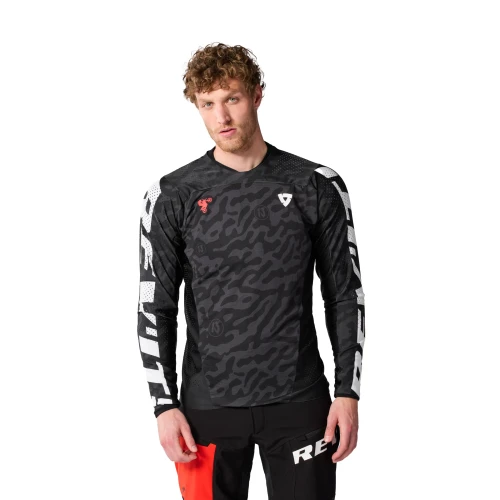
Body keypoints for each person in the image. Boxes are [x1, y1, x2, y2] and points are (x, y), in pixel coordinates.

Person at [137, 42, 366, 500]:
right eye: (207, 103)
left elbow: (345, 294)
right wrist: (164, 405)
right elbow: (154, 305)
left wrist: (348, 393)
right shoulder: (171, 194)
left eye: (232, 98)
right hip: (207, 409)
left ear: (257, 95)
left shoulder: (316, 184)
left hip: (300, 403)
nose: (221, 116)